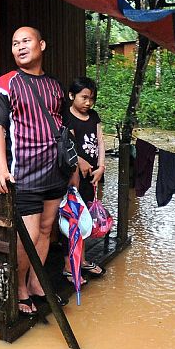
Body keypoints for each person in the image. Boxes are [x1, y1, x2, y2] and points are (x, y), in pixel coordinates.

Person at [0, 26, 71, 316]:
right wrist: (1, 169)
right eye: (15, 43)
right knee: (29, 235)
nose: (20, 47)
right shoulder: (4, 84)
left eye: (26, 41)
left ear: (42, 45)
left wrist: (74, 163)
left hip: (55, 172)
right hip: (25, 175)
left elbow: (60, 126)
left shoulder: (56, 86)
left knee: (47, 229)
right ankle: (19, 287)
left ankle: (36, 283)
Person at [62, 77, 107, 282]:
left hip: (93, 175)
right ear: (72, 96)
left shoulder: (94, 116)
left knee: (86, 218)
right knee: (73, 218)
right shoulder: (67, 117)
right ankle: (68, 265)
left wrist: (102, 167)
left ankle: (82, 259)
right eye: (84, 97)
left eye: (92, 99)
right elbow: (68, 145)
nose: (88, 103)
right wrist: (80, 161)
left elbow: (100, 141)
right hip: (74, 177)